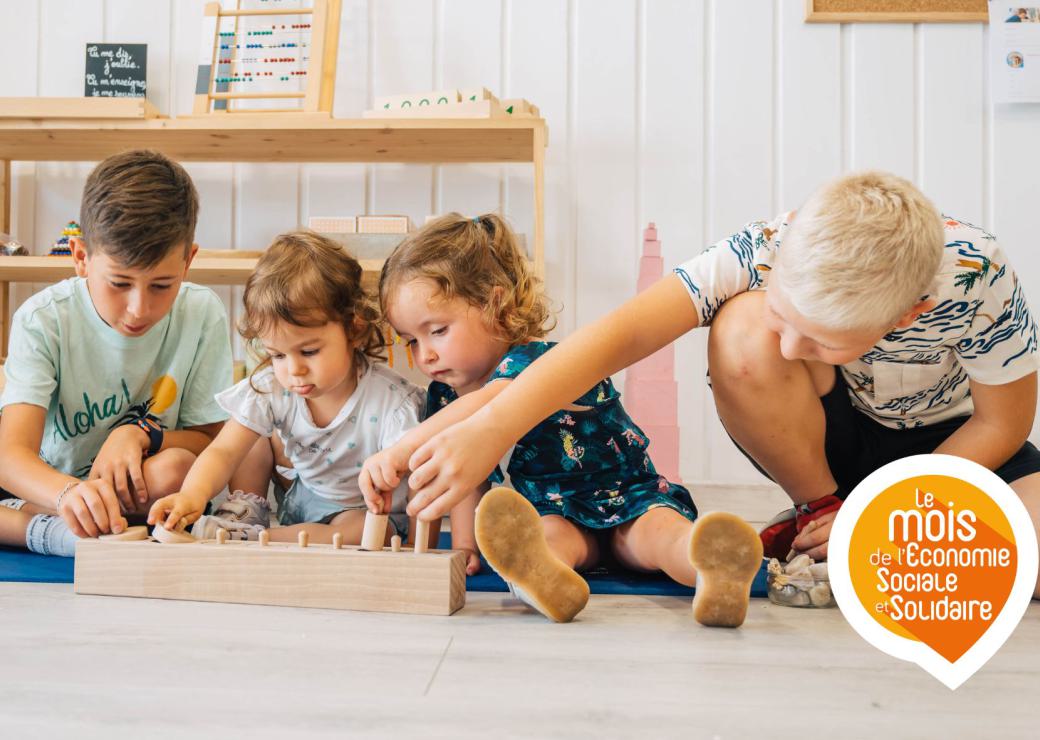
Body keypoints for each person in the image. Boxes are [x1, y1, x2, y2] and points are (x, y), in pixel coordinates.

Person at [395, 172, 1040, 599]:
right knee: (741, 326)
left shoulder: (981, 277)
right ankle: (820, 511)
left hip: (954, 447)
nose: (789, 350)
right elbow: (619, 338)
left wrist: (890, 513)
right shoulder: (765, 244)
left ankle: (854, 537)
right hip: (834, 435)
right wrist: (489, 427)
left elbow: (1001, 425)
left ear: (905, 316)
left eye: (817, 340)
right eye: (788, 318)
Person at [360, 213, 763, 625]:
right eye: (411, 341)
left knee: (659, 535)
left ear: (494, 305)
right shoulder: (445, 395)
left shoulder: (536, 360)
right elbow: (463, 475)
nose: (423, 354)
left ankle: (711, 565)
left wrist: (402, 449)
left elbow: (490, 405)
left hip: (628, 497)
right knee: (544, 541)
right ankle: (548, 581)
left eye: (438, 331)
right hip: (551, 511)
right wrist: (464, 546)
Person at [0, 149, 232, 556]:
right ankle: (56, 527)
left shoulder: (202, 312)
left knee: (176, 469)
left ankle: (63, 525)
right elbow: (11, 456)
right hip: (52, 486)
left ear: (188, 260)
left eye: (162, 285)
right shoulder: (43, 319)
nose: (139, 309)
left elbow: (214, 442)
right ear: (81, 258)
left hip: (140, 487)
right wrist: (68, 493)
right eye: (120, 283)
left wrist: (141, 434)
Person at [148, 231, 430, 551]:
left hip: (362, 510)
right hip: (301, 499)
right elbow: (223, 451)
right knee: (246, 430)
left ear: (354, 329)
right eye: (278, 355)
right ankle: (246, 515)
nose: (293, 370)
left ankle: (255, 539)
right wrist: (191, 495)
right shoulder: (272, 386)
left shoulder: (391, 400)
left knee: (364, 529)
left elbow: (413, 473)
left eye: (309, 352)